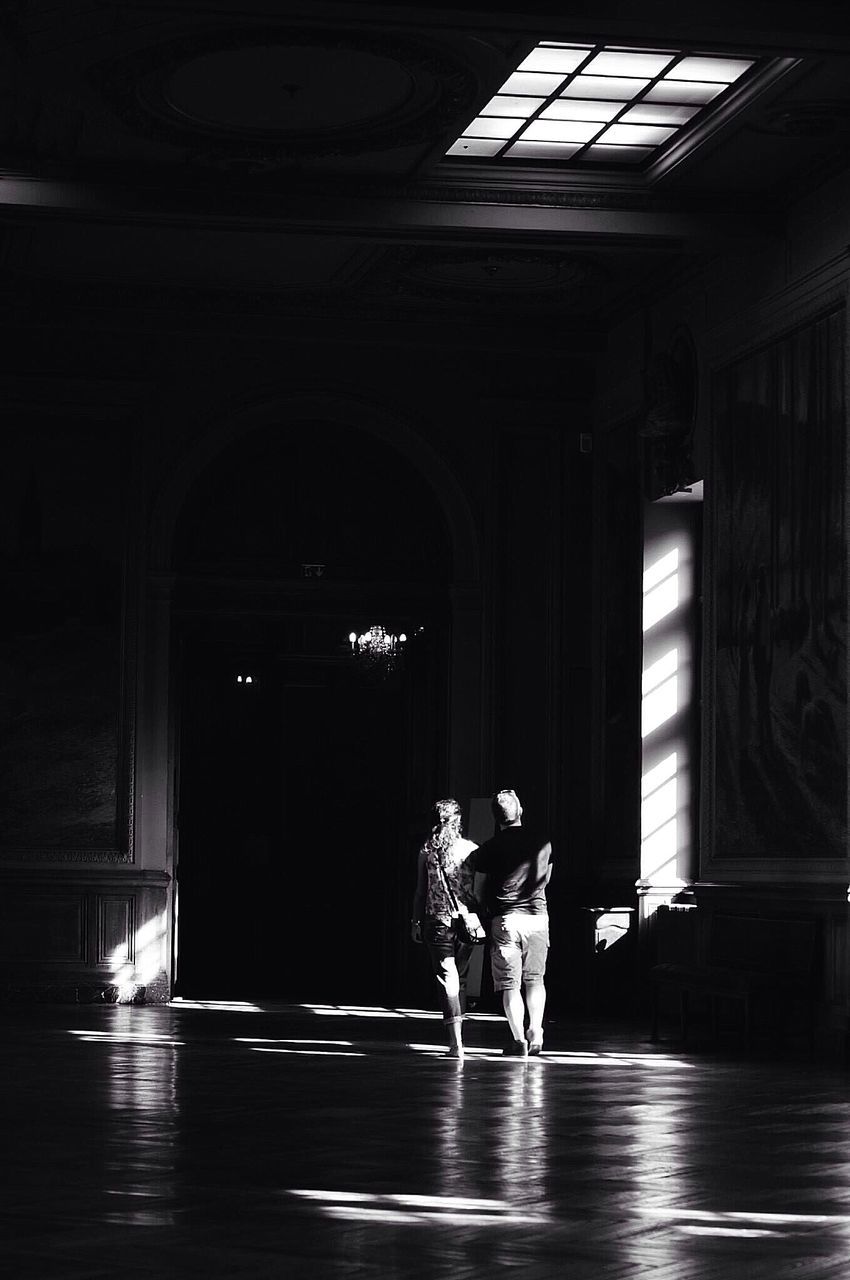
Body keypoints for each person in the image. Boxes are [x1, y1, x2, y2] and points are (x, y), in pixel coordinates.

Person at [473, 789, 552, 1056]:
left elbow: (477, 886)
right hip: (537, 918)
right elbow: (546, 878)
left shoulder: (491, 847)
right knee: (535, 979)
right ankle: (537, 1031)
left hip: (505, 919)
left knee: (509, 984)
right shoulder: (543, 842)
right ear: (520, 812)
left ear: (497, 819)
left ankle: (518, 1039)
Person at [411, 798, 479, 1059]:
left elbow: (420, 891)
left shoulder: (427, 851)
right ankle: (462, 1037)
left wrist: (415, 921)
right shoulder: (471, 849)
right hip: (467, 922)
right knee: (460, 979)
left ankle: (456, 1043)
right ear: (458, 821)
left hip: (437, 920)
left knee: (447, 980)